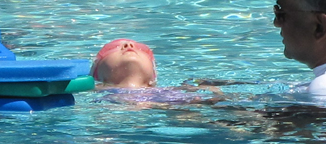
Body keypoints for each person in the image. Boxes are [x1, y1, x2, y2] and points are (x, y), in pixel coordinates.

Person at [90, 39, 227, 107]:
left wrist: (213, 93)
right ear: (98, 74)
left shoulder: (171, 91)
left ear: (152, 76)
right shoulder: (91, 90)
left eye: (141, 49)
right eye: (113, 48)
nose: (129, 46)